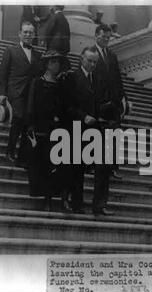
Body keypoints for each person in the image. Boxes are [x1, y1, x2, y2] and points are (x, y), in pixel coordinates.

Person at [66, 46, 115, 216]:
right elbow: (67, 105)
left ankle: (99, 205)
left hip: (97, 129)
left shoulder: (99, 80)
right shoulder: (72, 77)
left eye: (95, 62)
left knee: (103, 166)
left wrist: (104, 114)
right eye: (89, 61)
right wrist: (83, 116)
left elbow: (104, 101)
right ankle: (77, 204)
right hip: (78, 128)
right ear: (81, 58)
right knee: (77, 167)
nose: (92, 64)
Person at [24, 50, 71, 212]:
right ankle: (47, 199)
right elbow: (31, 105)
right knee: (44, 166)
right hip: (42, 129)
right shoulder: (37, 82)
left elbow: (66, 107)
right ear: (47, 64)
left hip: (59, 129)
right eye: (53, 62)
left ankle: (64, 198)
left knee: (61, 165)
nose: (56, 65)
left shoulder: (61, 84)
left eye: (58, 62)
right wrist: (31, 125)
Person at [0, 21, 42, 166]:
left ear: (34, 35)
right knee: (18, 118)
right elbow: (3, 73)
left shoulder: (38, 54)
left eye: (31, 32)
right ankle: (9, 151)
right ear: (20, 34)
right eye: (25, 32)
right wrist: (2, 93)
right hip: (15, 91)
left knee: (27, 122)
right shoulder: (10, 50)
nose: (28, 35)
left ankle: (22, 156)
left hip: (31, 93)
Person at [94, 24, 128, 180]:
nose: (106, 40)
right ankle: (95, 165)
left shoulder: (112, 56)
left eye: (108, 38)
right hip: (98, 101)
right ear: (96, 36)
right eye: (104, 37)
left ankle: (113, 167)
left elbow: (118, 79)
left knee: (115, 135)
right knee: (98, 135)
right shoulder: (90, 53)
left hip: (113, 102)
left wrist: (124, 99)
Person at [44, 5, 71, 71]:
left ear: (55, 7)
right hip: (63, 50)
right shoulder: (65, 20)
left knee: (50, 69)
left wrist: (45, 42)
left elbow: (48, 31)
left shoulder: (54, 16)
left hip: (54, 48)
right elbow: (68, 35)